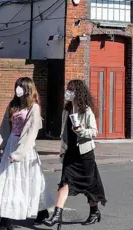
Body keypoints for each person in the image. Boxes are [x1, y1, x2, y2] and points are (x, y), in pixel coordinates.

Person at [0, 77, 54, 230]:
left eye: (21, 87)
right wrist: (0, 147)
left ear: (28, 89)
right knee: (8, 181)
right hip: (11, 143)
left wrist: (20, 153)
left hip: (25, 148)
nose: (18, 89)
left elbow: (32, 133)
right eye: (17, 86)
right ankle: (6, 219)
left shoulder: (34, 108)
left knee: (30, 180)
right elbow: (5, 126)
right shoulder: (13, 105)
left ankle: (41, 211)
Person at [43, 79, 107, 229]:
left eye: (70, 90)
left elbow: (94, 132)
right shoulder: (66, 110)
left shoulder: (86, 110)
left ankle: (94, 212)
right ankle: (57, 215)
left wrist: (80, 130)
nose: (67, 92)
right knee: (66, 182)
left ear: (78, 92)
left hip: (85, 153)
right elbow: (64, 132)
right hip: (70, 152)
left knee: (90, 185)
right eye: (67, 89)